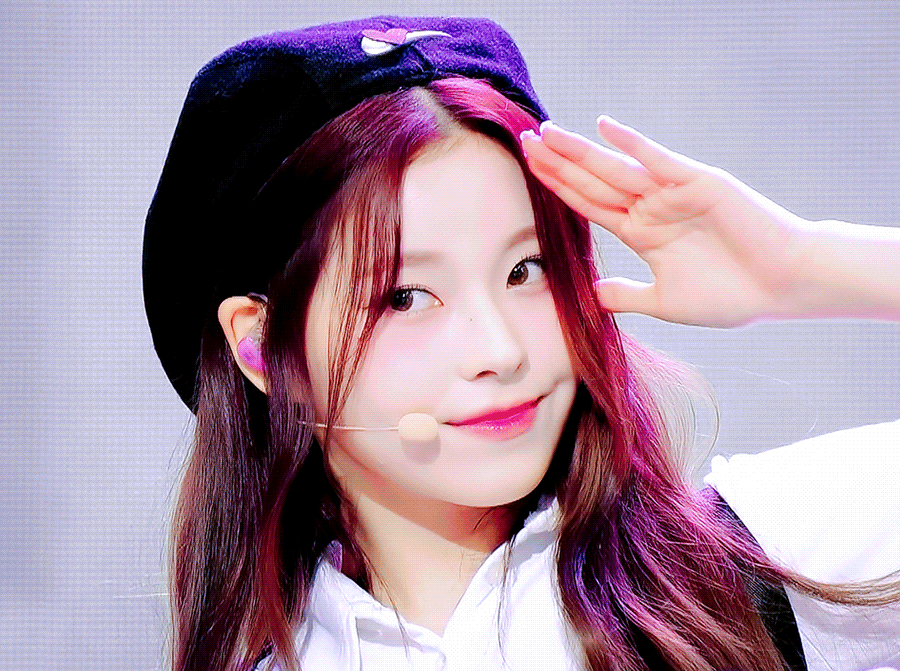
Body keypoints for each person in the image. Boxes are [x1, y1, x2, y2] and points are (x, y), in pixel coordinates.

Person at [142, 16, 900, 671]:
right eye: (406, 297)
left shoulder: (753, 568)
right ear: (261, 346)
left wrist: (802, 266)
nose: (501, 350)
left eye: (525, 269)